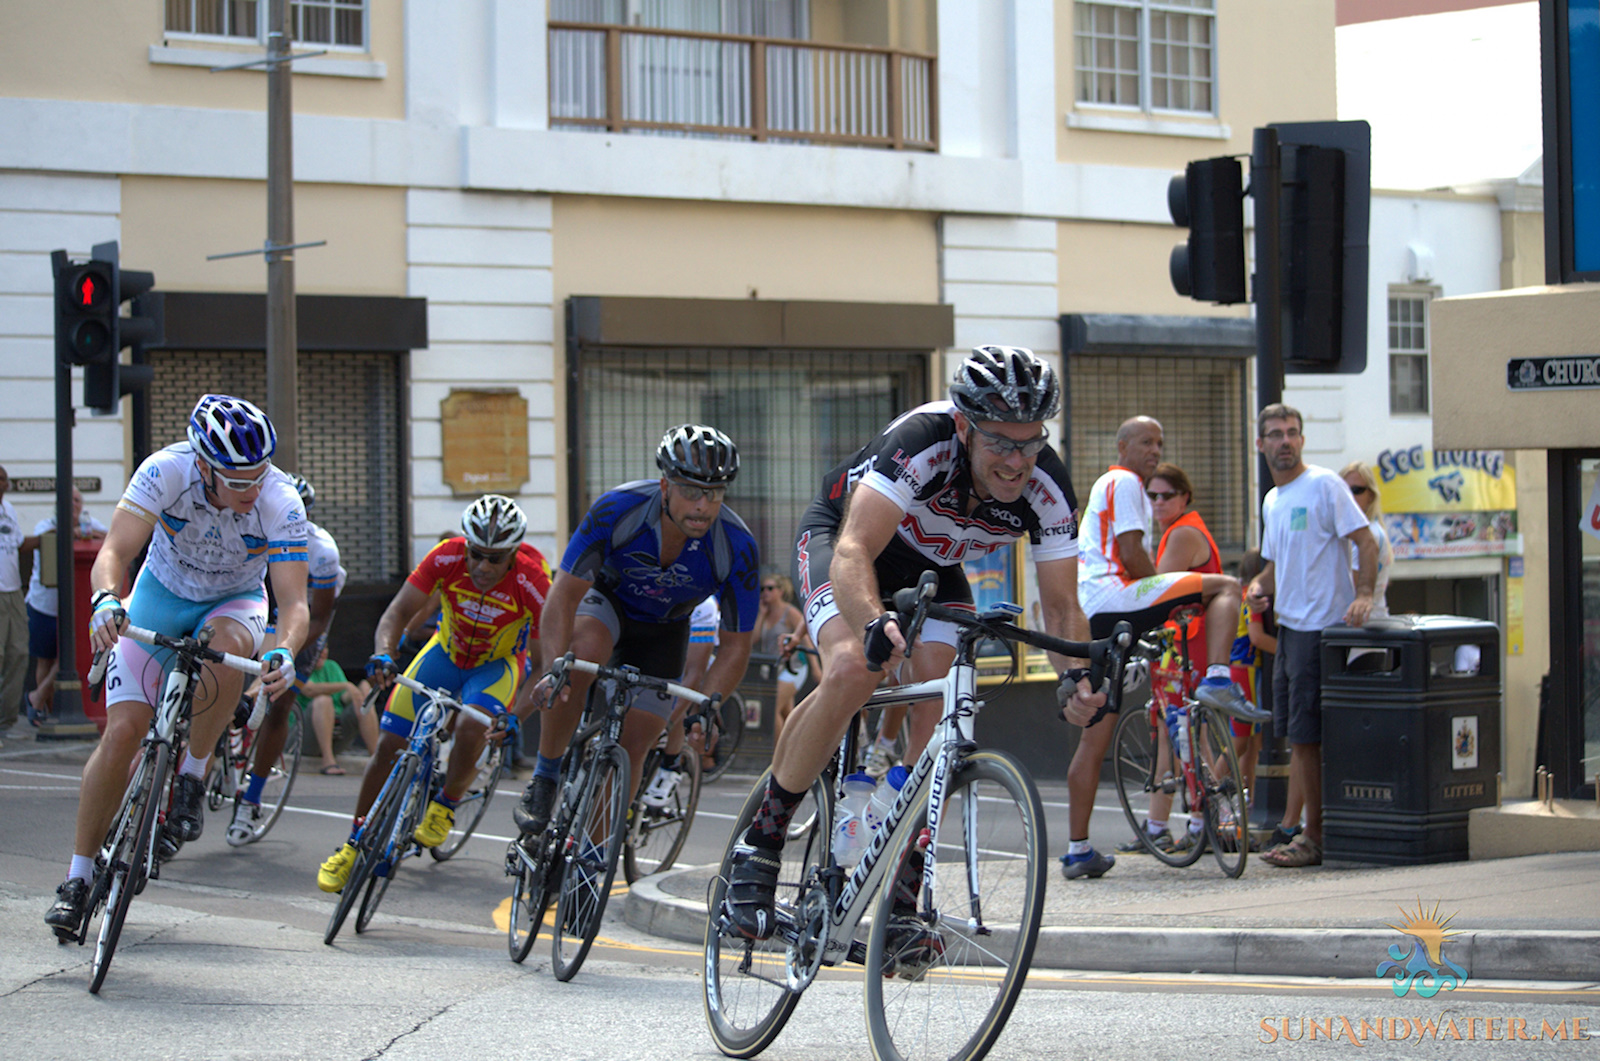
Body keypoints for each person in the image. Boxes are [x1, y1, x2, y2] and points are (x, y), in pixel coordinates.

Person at [723, 346, 1097, 942]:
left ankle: (900, 897)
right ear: (964, 426)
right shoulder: (922, 440)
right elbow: (852, 552)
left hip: (934, 565)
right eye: (1000, 442)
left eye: (1030, 443)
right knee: (851, 668)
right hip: (849, 541)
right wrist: (871, 621)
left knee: (944, 710)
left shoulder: (1048, 487)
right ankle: (761, 846)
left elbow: (1061, 606)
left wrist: (1075, 675)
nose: (1016, 462)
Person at [45, 395, 308, 936]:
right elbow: (114, 553)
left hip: (235, 599)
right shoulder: (164, 471)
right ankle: (75, 879)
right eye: (238, 480)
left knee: (226, 645)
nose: (252, 488)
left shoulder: (280, 501)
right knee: (121, 734)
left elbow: (294, 603)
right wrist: (105, 601)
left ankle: (192, 774)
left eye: (259, 474)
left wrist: (284, 650)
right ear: (204, 466)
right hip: (161, 595)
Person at [512, 425, 760, 836]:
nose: (702, 505)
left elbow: (735, 646)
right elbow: (563, 596)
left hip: (666, 628)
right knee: (581, 656)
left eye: (714, 494)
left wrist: (709, 703)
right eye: (690, 491)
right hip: (607, 605)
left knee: (639, 738)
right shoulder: (618, 509)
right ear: (664, 486)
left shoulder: (736, 546)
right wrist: (555, 665)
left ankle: (589, 857)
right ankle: (546, 776)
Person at [317, 495, 551, 892]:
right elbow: (395, 614)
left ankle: (446, 803)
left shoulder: (533, 581)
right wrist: (383, 653)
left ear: (513, 555)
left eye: (495, 558)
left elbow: (546, 666)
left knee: (469, 727)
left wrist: (517, 717)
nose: (482, 566)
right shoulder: (446, 557)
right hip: (445, 652)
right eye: (476, 554)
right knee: (389, 745)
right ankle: (354, 844)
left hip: (496, 665)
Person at [1065, 418, 1264, 880]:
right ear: (1122, 446)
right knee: (1227, 586)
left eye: (1160, 442)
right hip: (1117, 597)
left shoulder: (1108, 485)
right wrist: (1167, 602)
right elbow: (1132, 554)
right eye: (1145, 442)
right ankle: (1217, 679)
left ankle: (1077, 849)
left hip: (1097, 614)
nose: (1154, 449)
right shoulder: (1124, 481)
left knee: (1095, 734)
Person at [1249, 404, 1377, 870]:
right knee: (1298, 738)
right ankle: (1307, 831)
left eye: (1293, 433)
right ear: (1260, 444)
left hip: (1325, 628)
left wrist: (1363, 594)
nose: (1285, 441)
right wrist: (1259, 588)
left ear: (1302, 440)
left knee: (1309, 738)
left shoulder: (1324, 485)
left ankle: (1314, 837)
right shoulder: (1273, 501)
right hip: (1290, 629)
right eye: (1276, 434)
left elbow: (1366, 541)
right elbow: (1274, 566)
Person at [229, 474, 348, 844]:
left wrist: (282, 654)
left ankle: (250, 801)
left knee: (277, 702)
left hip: (303, 625)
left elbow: (320, 618)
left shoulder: (322, 552)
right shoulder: (243, 530)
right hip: (258, 612)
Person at [1116, 461, 1224, 855]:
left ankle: (1203, 821)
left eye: (1167, 495)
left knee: (1189, 734)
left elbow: (1155, 589)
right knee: (1168, 732)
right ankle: (1159, 825)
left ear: (1185, 496)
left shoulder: (1182, 533)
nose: (1158, 502)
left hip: (1188, 645)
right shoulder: (1175, 530)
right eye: (1152, 496)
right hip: (1177, 644)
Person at [24, 486, 108, 724]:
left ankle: (37, 699)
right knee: (45, 659)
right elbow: (46, 538)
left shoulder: (89, 524)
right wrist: (68, 529)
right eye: (68, 499)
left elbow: (109, 536)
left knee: (67, 657)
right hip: (43, 604)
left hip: (74, 605)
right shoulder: (45, 525)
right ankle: (43, 710)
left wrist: (85, 532)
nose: (73, 504)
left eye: (77, 500)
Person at [1229, 549, 1275, 821]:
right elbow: (1257, 638)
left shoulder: (1237, 594)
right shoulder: (1253, 598)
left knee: (1251, 743)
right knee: (1240, 741)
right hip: (1247, 669)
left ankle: (1249, 802)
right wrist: (1286, 652)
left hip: (1238, 668)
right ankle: (1210, 792)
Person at [0, 465, 40, 740]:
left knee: (18, 654)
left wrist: (51, 538)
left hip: (13, 591)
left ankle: (6, 721)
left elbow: (18, 544)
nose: (2, 482)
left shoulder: (9, 510)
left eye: (3, 477)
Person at [294, 643, 376, 775]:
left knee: (364, 690)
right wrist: (345, 685)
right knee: (324, 701)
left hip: (336, 734)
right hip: (301, 739)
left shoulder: (331, 666)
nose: (321, 652)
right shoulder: (297, 666)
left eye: (324, 648)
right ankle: (328, 761)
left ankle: (376, 758)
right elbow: (309, 690)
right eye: (316, 648)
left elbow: (343, 698)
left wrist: (360, 691)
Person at [756, 573, 811, 745]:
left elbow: (806, 639)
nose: (765, 592)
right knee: (788, 715)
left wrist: (816, 668)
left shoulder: (790, 612)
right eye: (762, 589)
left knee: (772, 710)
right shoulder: (764, 614)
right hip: (772, 670)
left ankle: (778, 757)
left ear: (780, 591)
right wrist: (761, 615)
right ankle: (801, 750)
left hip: (792, 668)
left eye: (770, 588)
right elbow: (753, 640)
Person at [1339, 461, 1393, 618]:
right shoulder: (1366, 530)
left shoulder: (1368, 536)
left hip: (1363, 627)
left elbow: (1349, 589)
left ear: (1371, 496)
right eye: (1343, 490)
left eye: (1357, 490)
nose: (1350, 496)